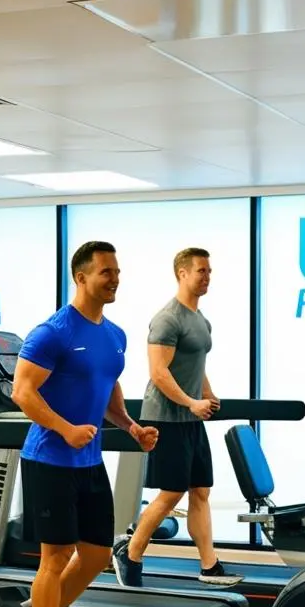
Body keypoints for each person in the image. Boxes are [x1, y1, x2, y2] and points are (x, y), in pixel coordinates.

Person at [11, 240, 159, 607]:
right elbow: (23, 392)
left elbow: (107, 387)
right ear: (80, 277)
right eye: (105, 272)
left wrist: (131, 427)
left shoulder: (115, 335)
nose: (114, 279)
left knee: (95, 554)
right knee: (54, 559)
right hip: (49, 459)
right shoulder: (52, 332)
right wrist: (65, 428)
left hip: (89, 461)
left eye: (117, 271)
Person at [113, 247, 242, 587]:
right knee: (172, 493)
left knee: (200, 491)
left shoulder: (201, 319)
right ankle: (130, 552)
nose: (207, 276)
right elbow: (159, 373)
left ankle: (209, 566)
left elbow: (195, 365)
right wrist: (190, 403)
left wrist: (208, 394)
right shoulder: (167, 318)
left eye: (209, 271)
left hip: (190, 418)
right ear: (182, 273)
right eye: (201, 270)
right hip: (166, 418)